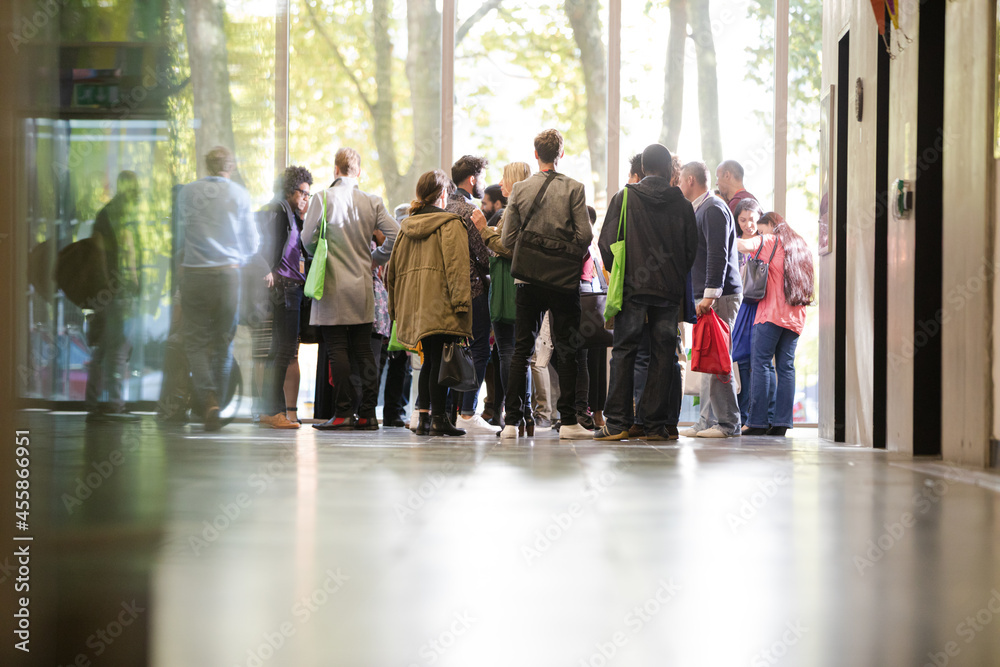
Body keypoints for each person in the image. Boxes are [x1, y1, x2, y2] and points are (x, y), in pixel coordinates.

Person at [595, 144, 698, 441]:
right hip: (668, 292)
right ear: (668, 170)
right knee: (663, 354)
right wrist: (674, 276)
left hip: (632, 288)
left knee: (624, 351)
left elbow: (606, 243)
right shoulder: (681, 204)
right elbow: (691, 249)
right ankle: (653, 425)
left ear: (643, 167)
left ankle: (617, 423)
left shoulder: (625, 196)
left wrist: (624, 272)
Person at [499, 129, 594, 440]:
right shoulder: (574, 189)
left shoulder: (520, 190)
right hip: (563, 281)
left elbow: (507, 239)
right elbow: (585, 236)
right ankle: (568, 422)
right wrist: (560, 251)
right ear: (561, 154)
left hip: (527, 278)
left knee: (521, 350)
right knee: (567, 348)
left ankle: (511, 423)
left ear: (535, 153)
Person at [304, 148, 399, 431]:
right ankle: (368, 414)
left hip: (331, 286)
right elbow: (396, 234)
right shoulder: (372, 201)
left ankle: (344, 412)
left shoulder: (322, 198)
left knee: (337, 351)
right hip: (361, 286)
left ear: (336, 169)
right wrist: (375, 259)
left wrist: (321, 252)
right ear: (358, 172)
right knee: (363, 351)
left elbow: (307, 239)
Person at [175, 146, 259, 431]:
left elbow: (178, 233)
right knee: (223, 342)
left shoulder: (187, 192)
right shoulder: (239, 195)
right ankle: (216, 406)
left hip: (195, 275)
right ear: (230, 167)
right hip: (227, 276)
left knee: (195, 342)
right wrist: (238, 259)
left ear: (207, 165)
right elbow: (252, 242)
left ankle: (208, 399)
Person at [385, 170, 473, 437]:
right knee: (440, 361)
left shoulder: (405, 228)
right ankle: (438, 419)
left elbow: (393, 273)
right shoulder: (451, 224)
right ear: (443, 194)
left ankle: (423, 418)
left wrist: (395, 309)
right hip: (443, 304)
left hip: (414, 306)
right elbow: (458, 268)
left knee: (429, 360)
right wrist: (462, 304)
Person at [678, 161, 743, 439]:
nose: (679, 186)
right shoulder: (704, 208)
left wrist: (710, 294)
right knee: (707, 357)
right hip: (710, 296)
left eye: (681, 181)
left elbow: (718, 253)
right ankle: (707, 420)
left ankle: (728, 424)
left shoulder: (713, 208)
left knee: (718, 356)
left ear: (690, 180)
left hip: (721, 296)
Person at [737, 213, 814, 436]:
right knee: (786, 367)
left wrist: (743, 235)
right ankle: (781, 422)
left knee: (760, 362)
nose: (760, 234)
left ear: (772, 226)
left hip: (771, 313)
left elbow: (743, 244)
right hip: (795, 316)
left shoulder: (772, 240)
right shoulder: (801, 245)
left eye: (762, 229)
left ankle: (758, 422)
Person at [256, 166, 313, 429]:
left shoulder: (291, 214)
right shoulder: (277, 210)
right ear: (291, 190)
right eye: (303, 193)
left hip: (292, 288)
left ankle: (272, 411)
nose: (305, 199)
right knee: (283, 350)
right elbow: (264, 243)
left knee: (281, 350)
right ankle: (272, 411)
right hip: (285, 288)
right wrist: (266, 268)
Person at [85, 170, 142, 422]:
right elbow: (128, 252)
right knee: (118, 348)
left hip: (105, 289)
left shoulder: (105, 213)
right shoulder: (124, 214)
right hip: (119, 291)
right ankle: (114, 405)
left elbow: (96, 248)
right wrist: (134, 281)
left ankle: (94, 402)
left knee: (104, 348)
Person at [446, 155, 496, 433]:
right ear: (473, 179)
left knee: (451, 349)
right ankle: (467, 413)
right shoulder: (470, 211)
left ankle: (446, 411)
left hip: (446, 290)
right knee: (479, 349)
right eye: (483, 177)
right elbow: (484, 257)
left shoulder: (443, 207)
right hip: (473, 288)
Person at [481, 163, 532, 432]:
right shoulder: (534, 209)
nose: (500, 183)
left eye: (504, 178)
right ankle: (526, 413)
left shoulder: (512, 210)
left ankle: (513, 416)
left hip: (506, 288)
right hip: (527, 287)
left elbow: (507, 247)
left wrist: (482, 229)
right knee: (522, 353)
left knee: (507, 352)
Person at [731, 197, 774, 429]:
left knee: (757, 359)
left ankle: (759, 415)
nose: (748, 224)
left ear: (760, 219)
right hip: (740, 305)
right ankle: (741, 414)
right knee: (739, 357)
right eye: (743, 219)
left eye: (752, 219)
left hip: (760, 304)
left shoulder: (766, 244)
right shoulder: (735, 245)